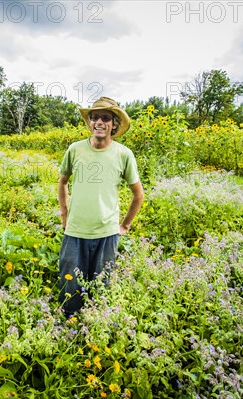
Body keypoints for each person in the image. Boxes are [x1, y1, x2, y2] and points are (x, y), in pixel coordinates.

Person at [57, 96, 144, 317]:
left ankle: (94, 325)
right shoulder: (75, 149)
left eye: (105, 118)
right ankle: (68, 325)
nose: (99, 122)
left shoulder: (123, 154)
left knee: (101, 286)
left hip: (107, 234)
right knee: (70, 287)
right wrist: (65, 215)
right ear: (90, 122)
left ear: (114, 124)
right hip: (75, 231)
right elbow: (62, 181)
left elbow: (138, 194)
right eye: (95, 117)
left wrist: (124, 226)